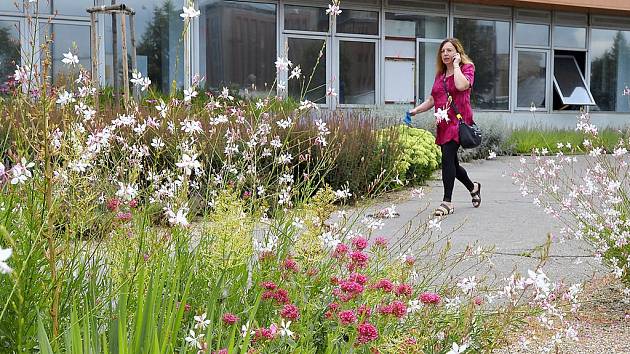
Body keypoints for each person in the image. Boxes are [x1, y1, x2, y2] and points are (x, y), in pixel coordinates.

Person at [407, 38, 481, 217]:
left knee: (447, 159)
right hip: (443, 124)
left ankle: (447, 202)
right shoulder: (439, 76)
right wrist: (416, 110)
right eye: (443, 51)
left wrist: (456, 66)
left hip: (458, 122)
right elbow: (433, 99)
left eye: (449, 50)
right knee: (452, 164)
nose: (445, 54)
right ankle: (473, 187)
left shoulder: (466, 69)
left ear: (457, 52)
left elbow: (462, 85)